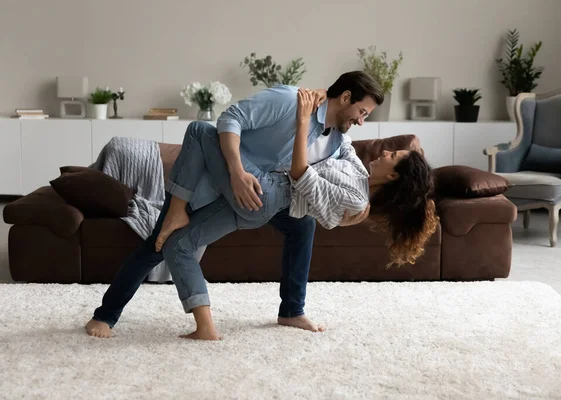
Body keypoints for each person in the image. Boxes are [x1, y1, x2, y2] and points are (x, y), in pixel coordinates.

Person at [85, 71, 381, 339]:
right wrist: (237, 172)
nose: (361, 120)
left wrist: (356, 210)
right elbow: (230, 119)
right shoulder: (289, 101)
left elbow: (352, 176)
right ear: (345, 97)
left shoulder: (337, 140)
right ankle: (106, 315)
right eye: (362, 112)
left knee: (303, 224)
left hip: (261, 196)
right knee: (160, 243)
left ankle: (292, 310)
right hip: (219, 179)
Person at [147, 88, 437, 340]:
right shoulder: (360, 174)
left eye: (394, 156)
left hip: (270, 191)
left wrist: (302, 122)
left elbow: (301, 175)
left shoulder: (357, 201)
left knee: (199, 130)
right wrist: (330, 101)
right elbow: (343, 139)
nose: (385, 152)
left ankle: (176, 210)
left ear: (393, 177)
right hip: (267, 200)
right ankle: (206, 327)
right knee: (179, 244)